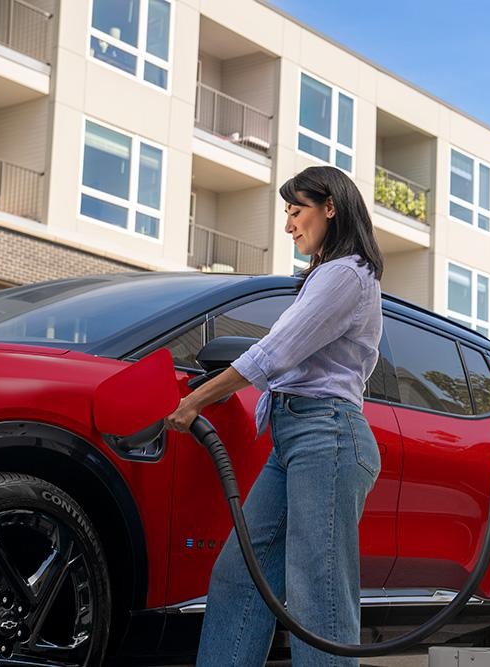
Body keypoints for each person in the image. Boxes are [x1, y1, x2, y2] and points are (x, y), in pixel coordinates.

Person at [165, 165, 384, 666]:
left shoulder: (347, 274)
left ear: (331, 207)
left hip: (326, 437)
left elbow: (275, 352)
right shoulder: (327, 276)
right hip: (295, 440)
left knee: (317, 594)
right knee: (241, 577)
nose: (288, 225)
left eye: (296, 210)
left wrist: (197, 399)